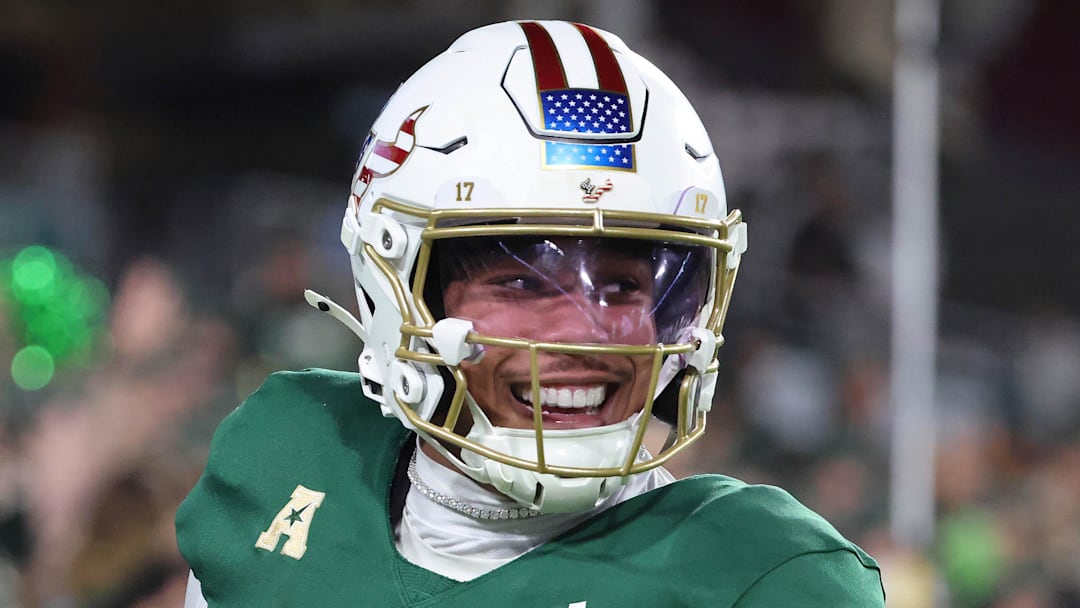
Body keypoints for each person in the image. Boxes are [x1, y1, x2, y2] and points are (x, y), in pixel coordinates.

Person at [176, 20, 885, 606]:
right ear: (396, 291)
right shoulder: (289, 459)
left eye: (621, 288)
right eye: (521, 284)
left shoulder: (765, 579)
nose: (583, 332)